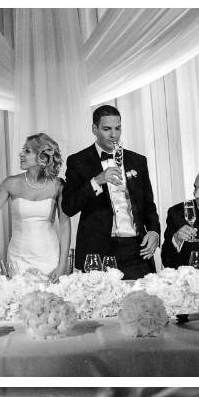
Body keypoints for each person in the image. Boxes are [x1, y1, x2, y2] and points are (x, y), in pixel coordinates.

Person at [62, 106, 161, 279]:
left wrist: (153, 231)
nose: (114, 134)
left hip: (136, 249)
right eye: (107, 129)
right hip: (98, 250)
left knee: (142, 302)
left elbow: (148, 205)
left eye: (118, 128)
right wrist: (97, 180)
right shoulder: (78, 161)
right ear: (94, 129)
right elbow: (69, 207)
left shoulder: (138, 161)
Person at [0, 133, 71, 280]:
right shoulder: (11, 183)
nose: (21, 154)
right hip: (18, 258)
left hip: (49, 257)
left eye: (27, 151)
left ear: (42, 158)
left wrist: (62, 264)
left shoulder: (57, 185)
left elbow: (65, 225)